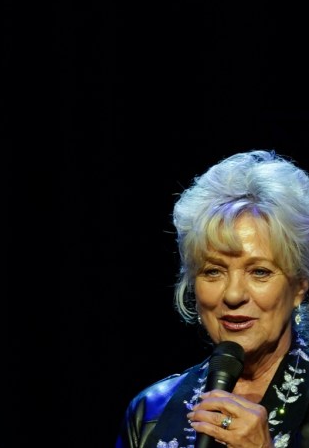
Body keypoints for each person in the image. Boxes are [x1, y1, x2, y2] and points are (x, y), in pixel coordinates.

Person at [115, 150, 309, 448]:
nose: (233, 295)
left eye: (259, 272)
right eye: (214, 272)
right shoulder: (150, 412)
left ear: (299, 286)